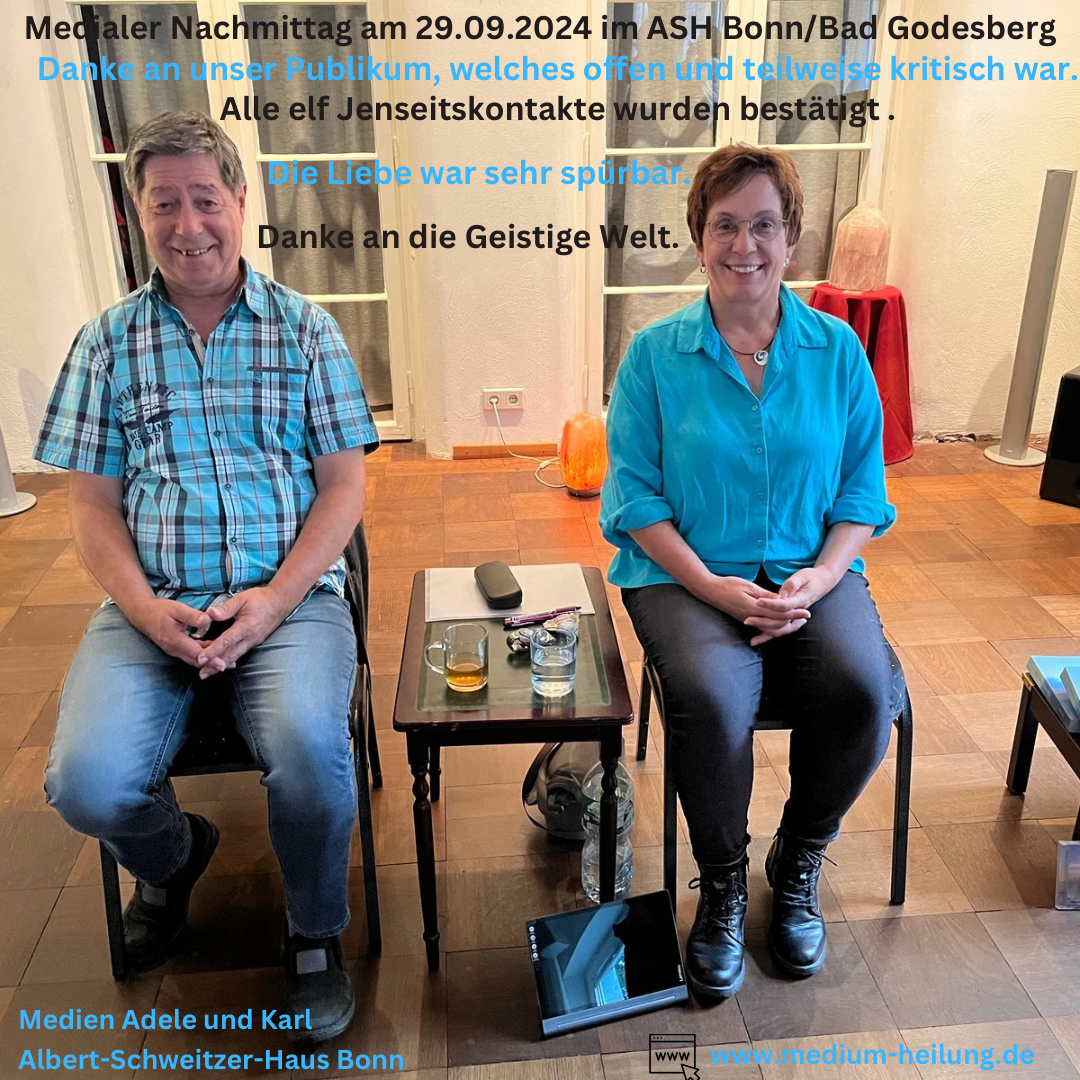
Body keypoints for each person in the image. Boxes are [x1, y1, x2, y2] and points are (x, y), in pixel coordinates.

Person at [34, 112, 379, 1042]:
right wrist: (144, 610)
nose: (187, 225)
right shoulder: (105, 344)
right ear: (135, 217)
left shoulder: (306, 332)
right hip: (150, 605)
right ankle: (176, 857)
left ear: (239, 201)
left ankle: (315, 932)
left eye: (204, 199)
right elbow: (91, 507)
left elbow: (344, 488)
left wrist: (273, 602)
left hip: (289, 599)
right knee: (85, 784)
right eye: (163, 205)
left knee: (311, 753)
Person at [600, 144, 897, 1002]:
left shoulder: (837, 351)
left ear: (791, 236)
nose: (745, 245)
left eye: (764, 224)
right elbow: (635, 499)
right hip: (685, 576)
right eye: (725, 225)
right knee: (712, 696)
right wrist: (713, 589)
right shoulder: (654, 355)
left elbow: (861, 492)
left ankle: (798, 857)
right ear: (700, 237)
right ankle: (724, 883)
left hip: (809, 572)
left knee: (861, 689)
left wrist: (822, 578)